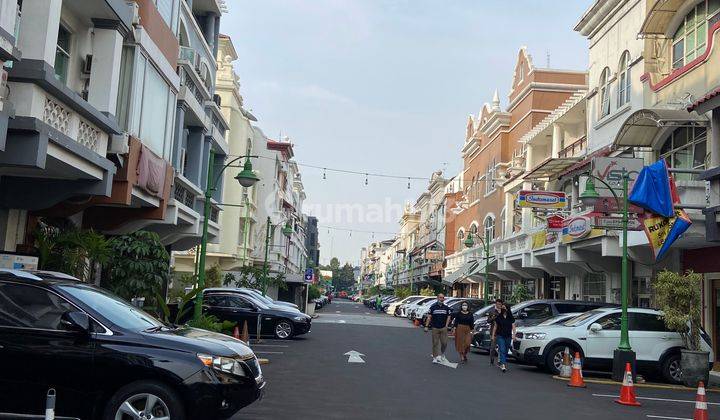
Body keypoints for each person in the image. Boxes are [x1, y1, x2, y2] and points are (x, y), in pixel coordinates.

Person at [424, 293, 452, 363]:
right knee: (435, 343)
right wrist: (426, 326)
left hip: (443, 328)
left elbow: (449, 317)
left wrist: (446, 325)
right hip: (435, 328)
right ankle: (435, 357)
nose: (441, 299)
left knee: (444, 343)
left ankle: (442, 354)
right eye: (440, 297)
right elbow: (429, 317)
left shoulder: (446, 308)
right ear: (437, 298)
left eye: (443, 298)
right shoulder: (433, 307)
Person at [491, 303, 515, 372]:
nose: (503, 309)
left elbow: (513, 327)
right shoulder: (498, 317)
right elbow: (495, 327)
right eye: (502, 308)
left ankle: (502, 361)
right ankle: (503, 365)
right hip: (500, 336)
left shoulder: (511, 318)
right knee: (502, 349)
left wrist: (514, 335)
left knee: (506, 350)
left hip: (508, 336)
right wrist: (493, 335)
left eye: (505, 308)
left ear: (508, 309)